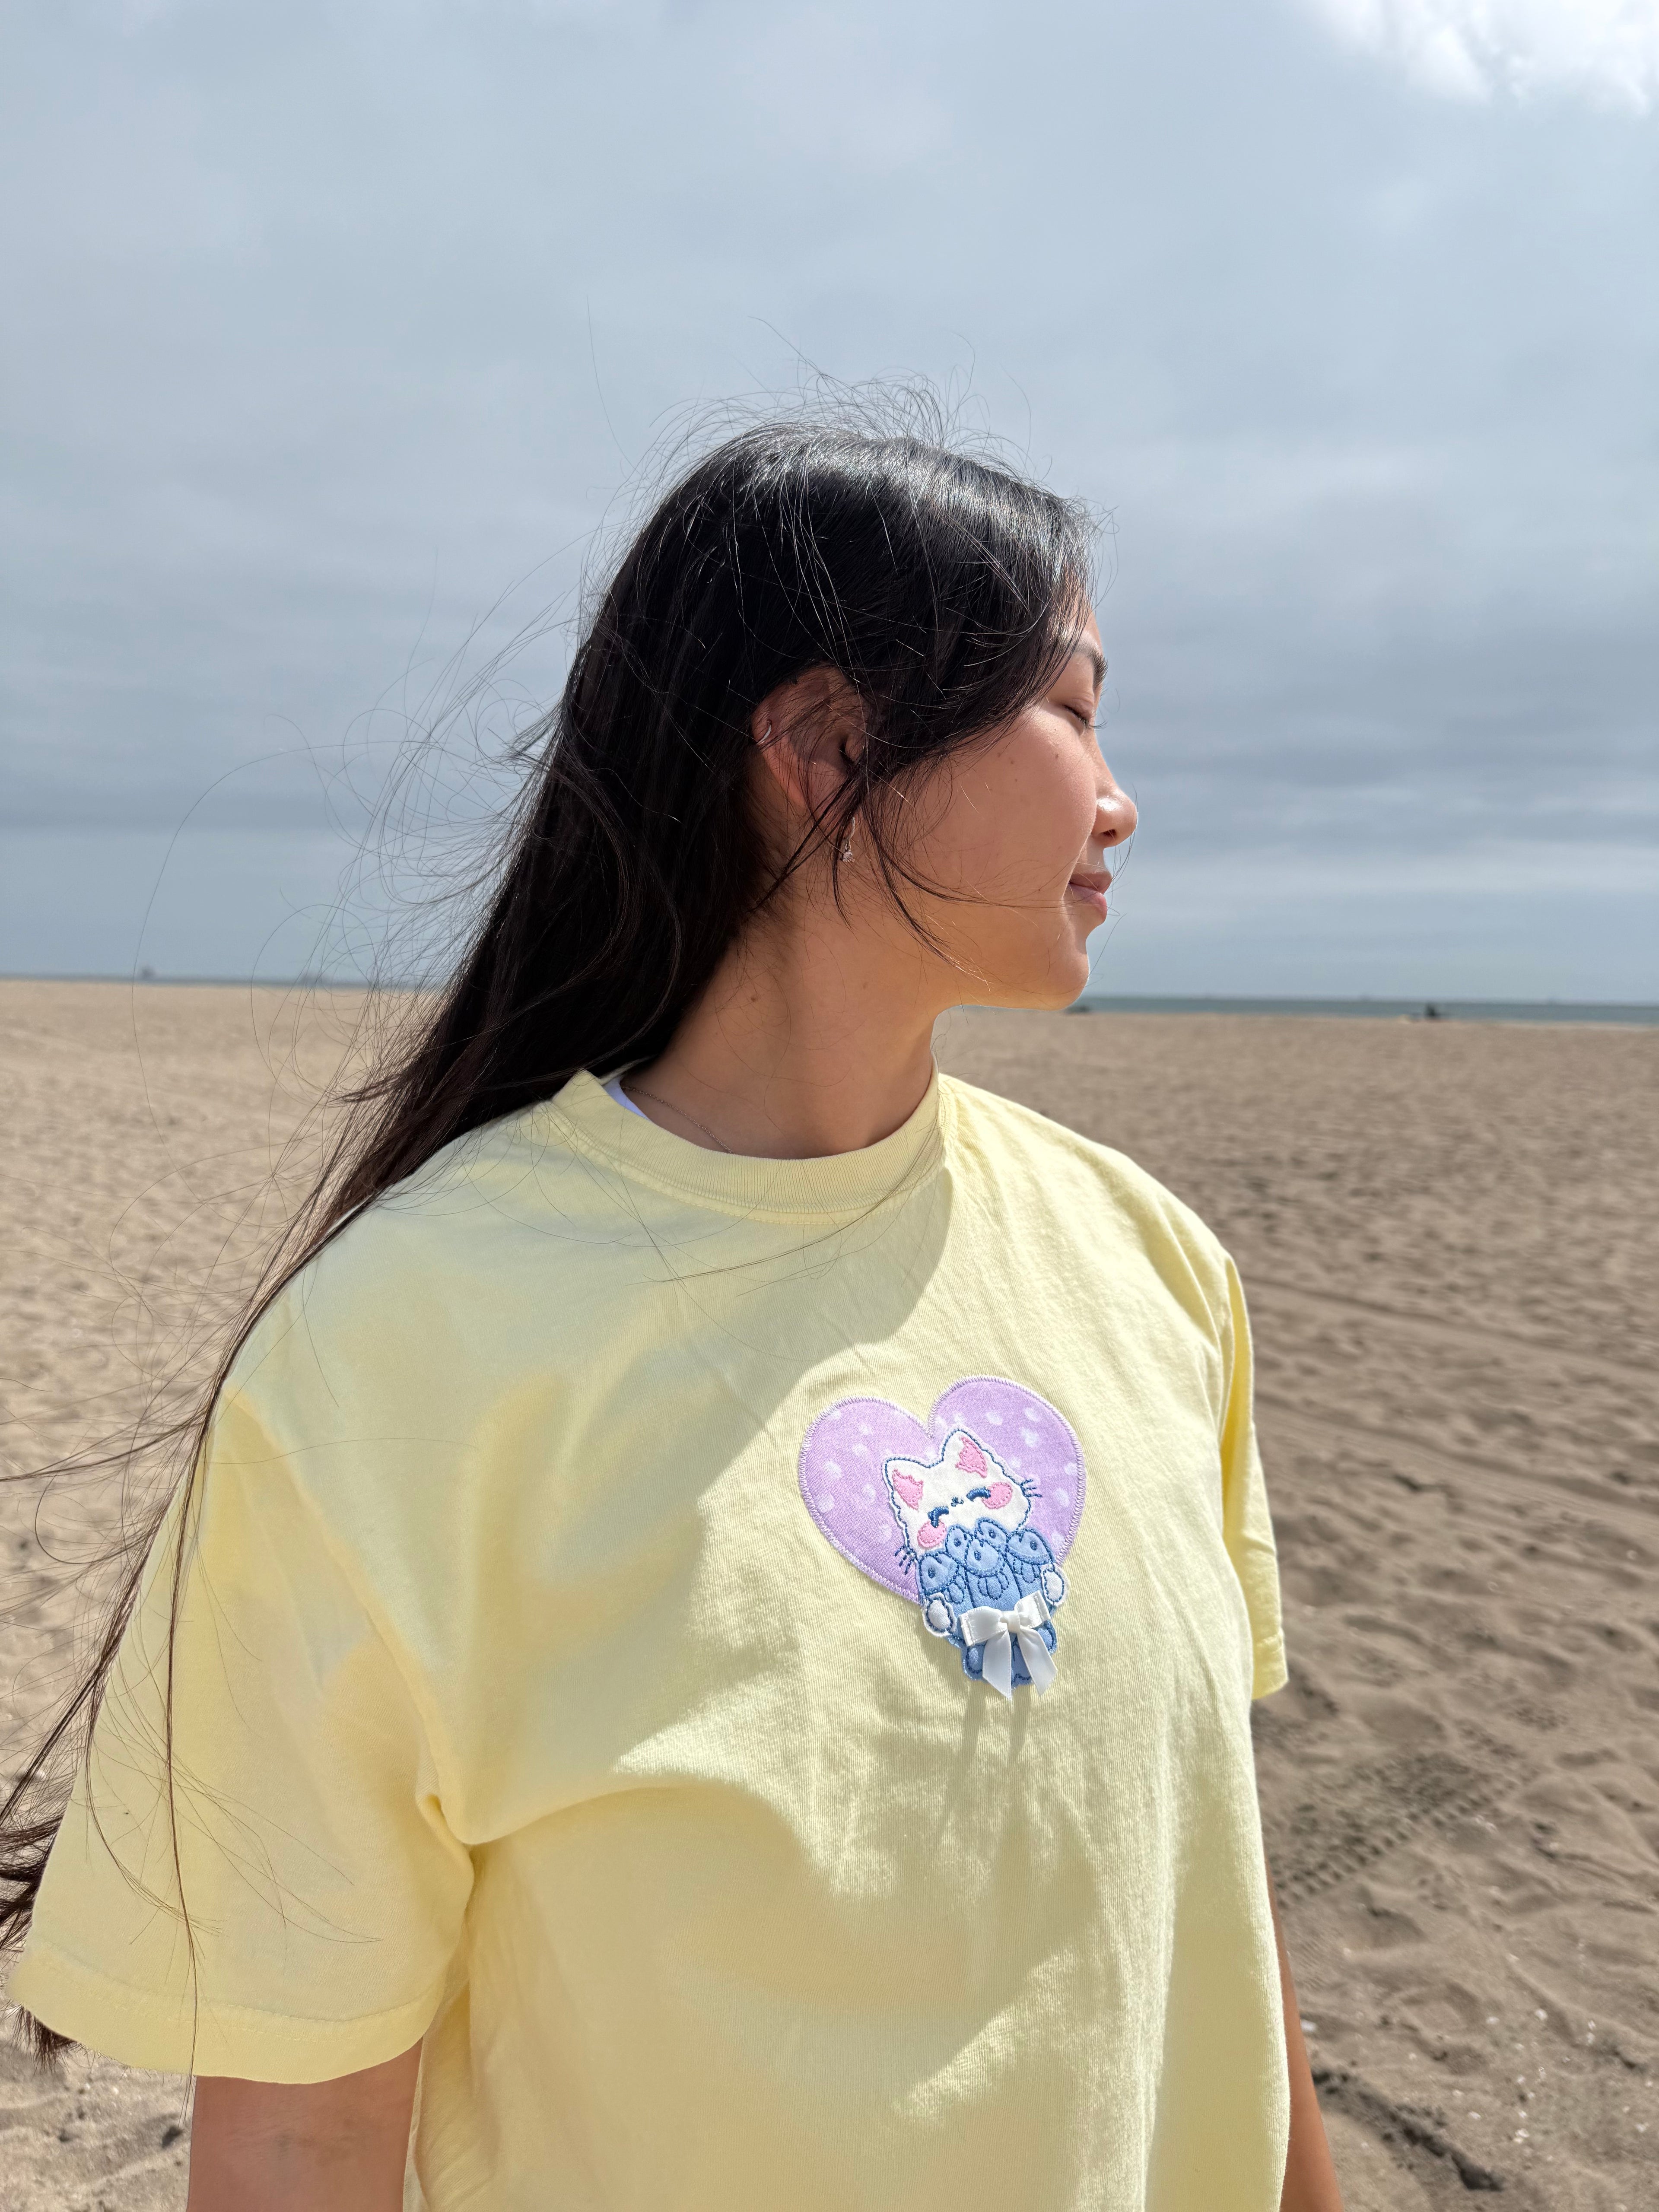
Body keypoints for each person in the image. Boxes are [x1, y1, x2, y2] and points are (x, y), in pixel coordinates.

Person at [3, 415, 1343, 2210]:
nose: (1120, 795)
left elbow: (1206, 1889)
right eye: (1077, 708)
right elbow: (307, 2126)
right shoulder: (402, 1352)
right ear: (827, 744)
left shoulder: (1154, 1265)